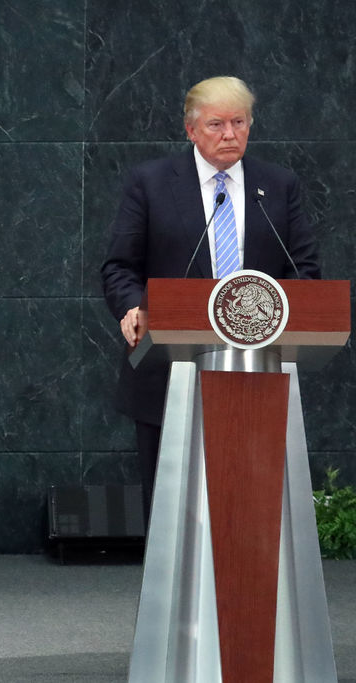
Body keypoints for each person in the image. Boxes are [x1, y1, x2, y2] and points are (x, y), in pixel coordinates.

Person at [100, 76, 320, 523]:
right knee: (172, 511)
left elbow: (305, 271)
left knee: (251, 511)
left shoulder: (278, 185)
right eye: (216, 124)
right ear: (191, 130)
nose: (230, 134)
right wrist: (132, 307)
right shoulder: (151, 183)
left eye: (239, 122)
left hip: (259, 369)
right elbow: (119, 266)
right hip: (169, 369)